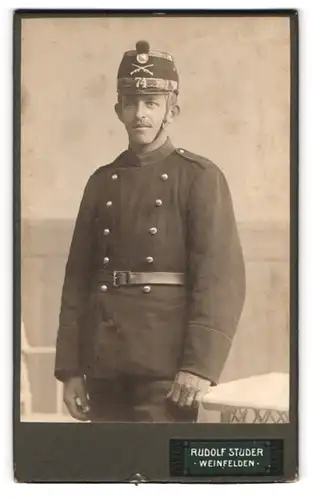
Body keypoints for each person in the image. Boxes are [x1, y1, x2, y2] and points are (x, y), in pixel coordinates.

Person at [54, 40, 246, 423]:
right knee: (109, 472)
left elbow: (221, 279)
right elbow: (77, 281)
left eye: (152, 104)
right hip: (104, 362)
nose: (140, 114)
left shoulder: (199, 178)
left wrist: (199, 366)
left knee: (160, 469)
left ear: (170, 112)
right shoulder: (101, 182)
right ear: (118, 110)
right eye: (131, 104)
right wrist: (72, 370)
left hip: (167, 368)